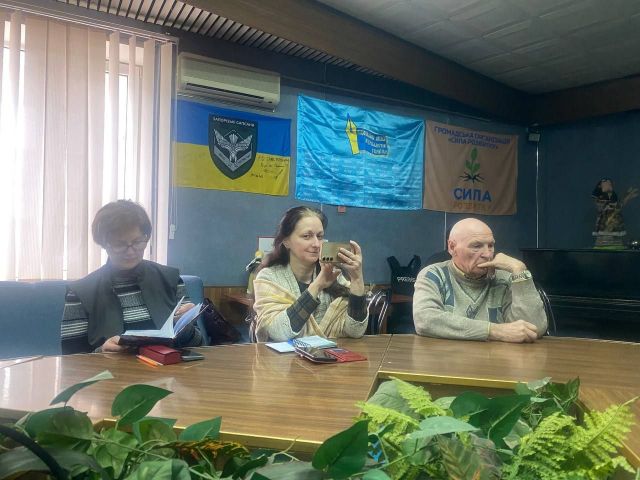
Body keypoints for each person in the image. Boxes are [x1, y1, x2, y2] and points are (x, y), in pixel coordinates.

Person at [61, 200, 202, 354]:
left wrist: (187, 328)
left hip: (168, 366)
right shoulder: (80, 292)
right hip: (112, 369)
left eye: (137, 242)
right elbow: (70, 359)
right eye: (119, 244)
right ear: (104, 243)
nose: (130, 251)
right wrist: (101, 351)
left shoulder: (171, 279)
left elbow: (199, 345)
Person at [413, 218, 547, 343]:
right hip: (446, 357)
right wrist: (494, 331)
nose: (488, 254)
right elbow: (425, 320)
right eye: (476, 246)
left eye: (490, 245)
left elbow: (533, 329)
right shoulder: (434, 274)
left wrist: (520, 270)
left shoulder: (505, 278)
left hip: (496, 359)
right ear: (452, 247)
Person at [252, 206, 368, 342]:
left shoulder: (333, 275)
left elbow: (355, 330)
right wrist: (317, 286)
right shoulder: (269, 277)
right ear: (286, 241)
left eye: (320, 236)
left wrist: (357, 278)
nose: (316, 244)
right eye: (307, 236)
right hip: (283, 356)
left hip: (328, 354)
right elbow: (278, 333)